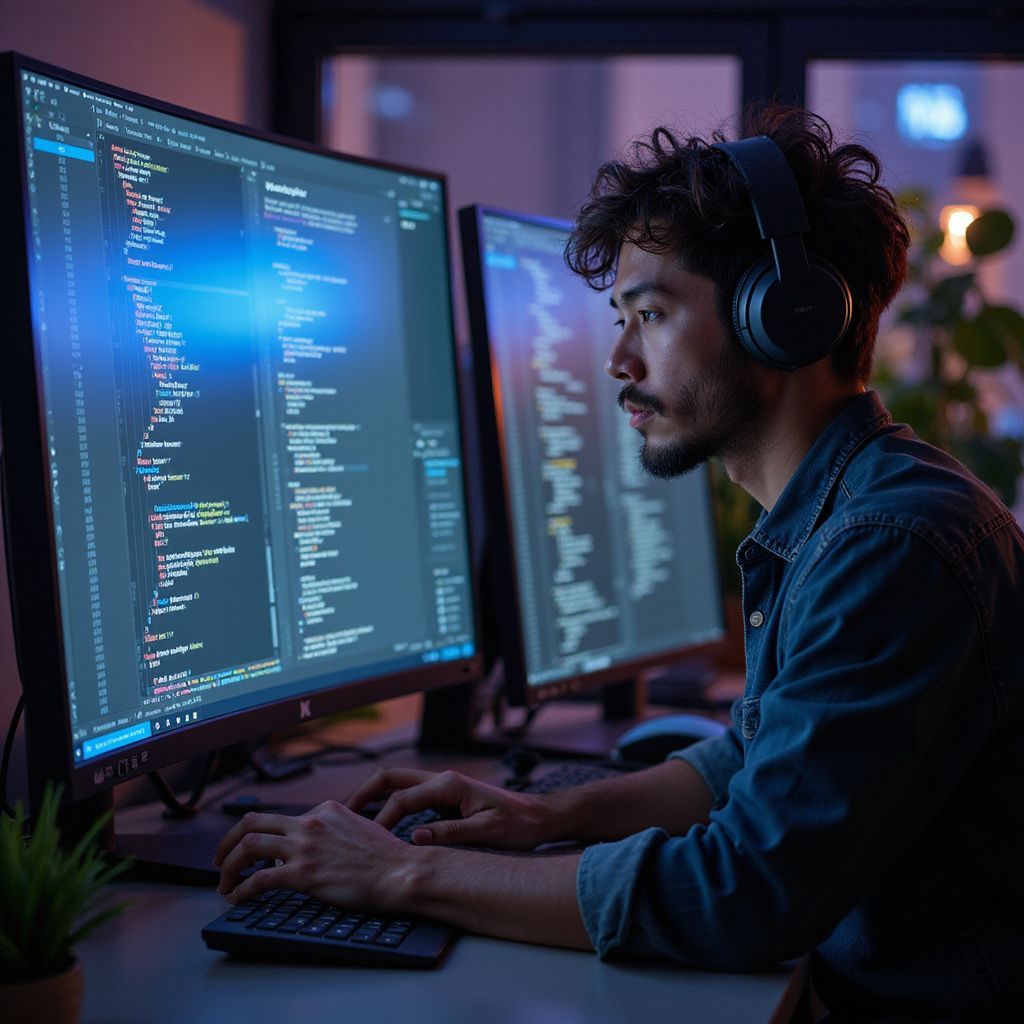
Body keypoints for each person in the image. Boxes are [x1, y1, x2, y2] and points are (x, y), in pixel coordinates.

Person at [215, 105, 1024, 1022]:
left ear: (782, 316)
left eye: (650, 313)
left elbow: (744, 894)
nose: (617, 360)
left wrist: (403, 870)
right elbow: (757, 761)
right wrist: (543, 816)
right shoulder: (851, 510)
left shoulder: (891, 546)